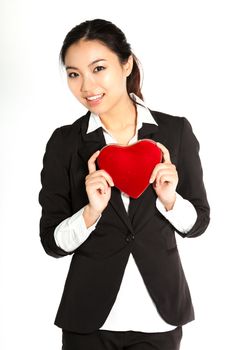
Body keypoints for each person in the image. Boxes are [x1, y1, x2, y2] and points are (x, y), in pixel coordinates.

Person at [39, 19, 210, 350]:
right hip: (88, 322)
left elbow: (198, 222)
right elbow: (53, 242)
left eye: (98, 68)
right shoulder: (65, 142)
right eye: (74, 74)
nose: (86, 85)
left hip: (159, 318)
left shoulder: (174, 132)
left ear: (126, 63)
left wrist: (170, 199)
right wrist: (91, 211)